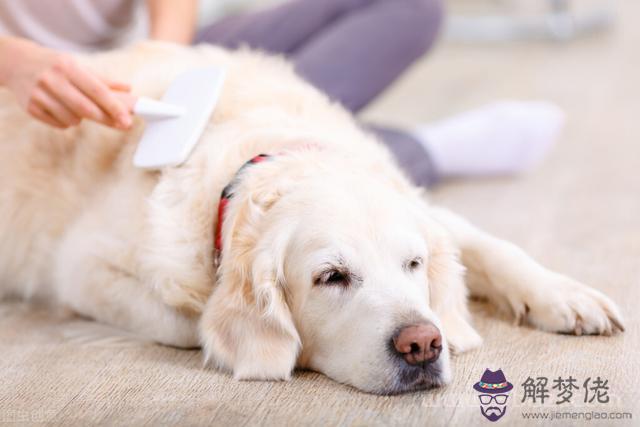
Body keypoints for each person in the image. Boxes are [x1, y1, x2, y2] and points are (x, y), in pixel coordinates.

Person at [0, 0, 564, 186]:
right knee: (200, 196)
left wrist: (166, 59)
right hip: (23, 106)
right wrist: (16, 61)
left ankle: (240, 147)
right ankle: (426, 150)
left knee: (410, 7)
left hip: (147, 58)